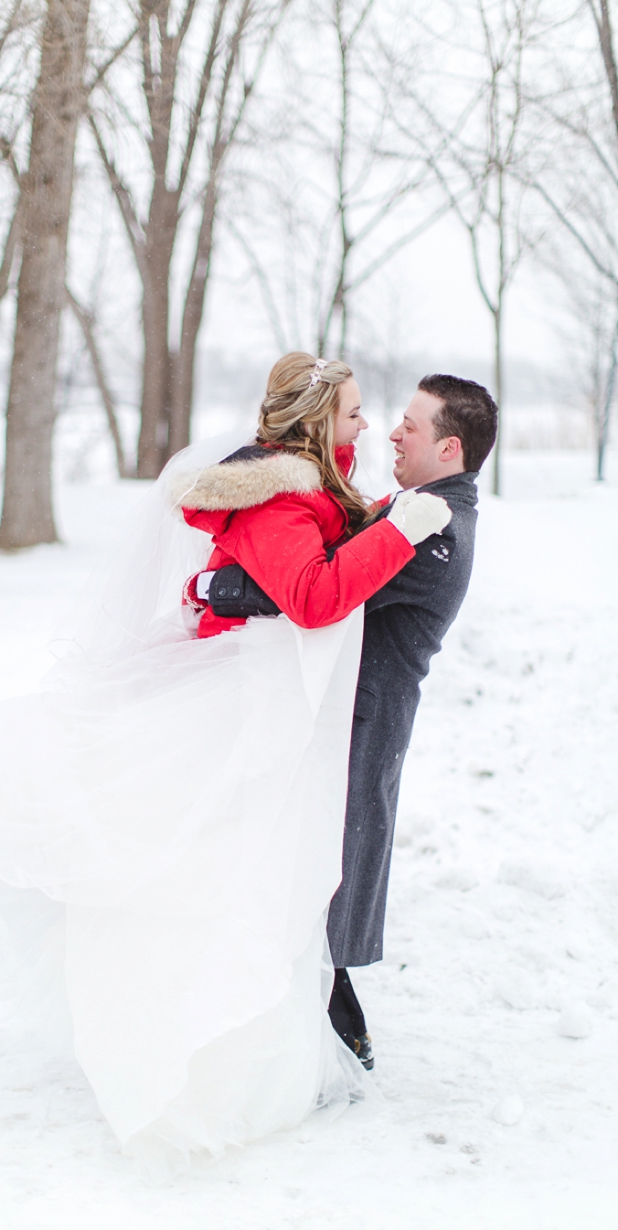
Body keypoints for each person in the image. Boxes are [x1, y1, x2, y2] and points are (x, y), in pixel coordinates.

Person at [0, 353, 452, 1164]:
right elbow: (310, 595)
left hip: (269, 707)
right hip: (238, 710)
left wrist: (383, 515)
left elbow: (307, 550)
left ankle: (293, 1036)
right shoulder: (278, 491)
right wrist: (403, 530)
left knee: (264, 873)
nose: (366, 426)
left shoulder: (308, 481)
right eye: (352, 414)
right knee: (227, 876)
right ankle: (196, 1057)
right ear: (313, 423)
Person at [204, 374, 499, 1068]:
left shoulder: (436, 530)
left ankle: (322, 1053)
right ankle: (311, 1038)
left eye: (411, 425)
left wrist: (218, 587)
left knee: (322, 893)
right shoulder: (416, 507)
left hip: (361, 728)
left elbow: (322, 583)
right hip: (332, 720)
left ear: (449, 448)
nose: (393, 432)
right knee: (307, 887)